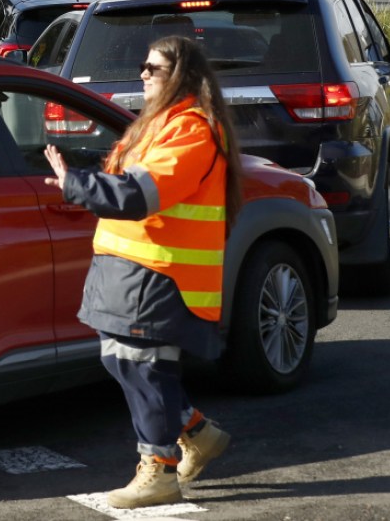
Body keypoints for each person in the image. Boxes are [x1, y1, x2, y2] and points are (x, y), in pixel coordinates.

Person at [44, 35, 242, 510]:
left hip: (161, 275)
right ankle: (195, 433)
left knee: (145, 367)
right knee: (121, 361)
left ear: (182, 76)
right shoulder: (158, 125)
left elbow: (140, 194)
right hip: (133, 270)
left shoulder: (192, 130)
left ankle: (160, 471)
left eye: (154, 68)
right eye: (144, 66)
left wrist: (76, 184)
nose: (144, 74)